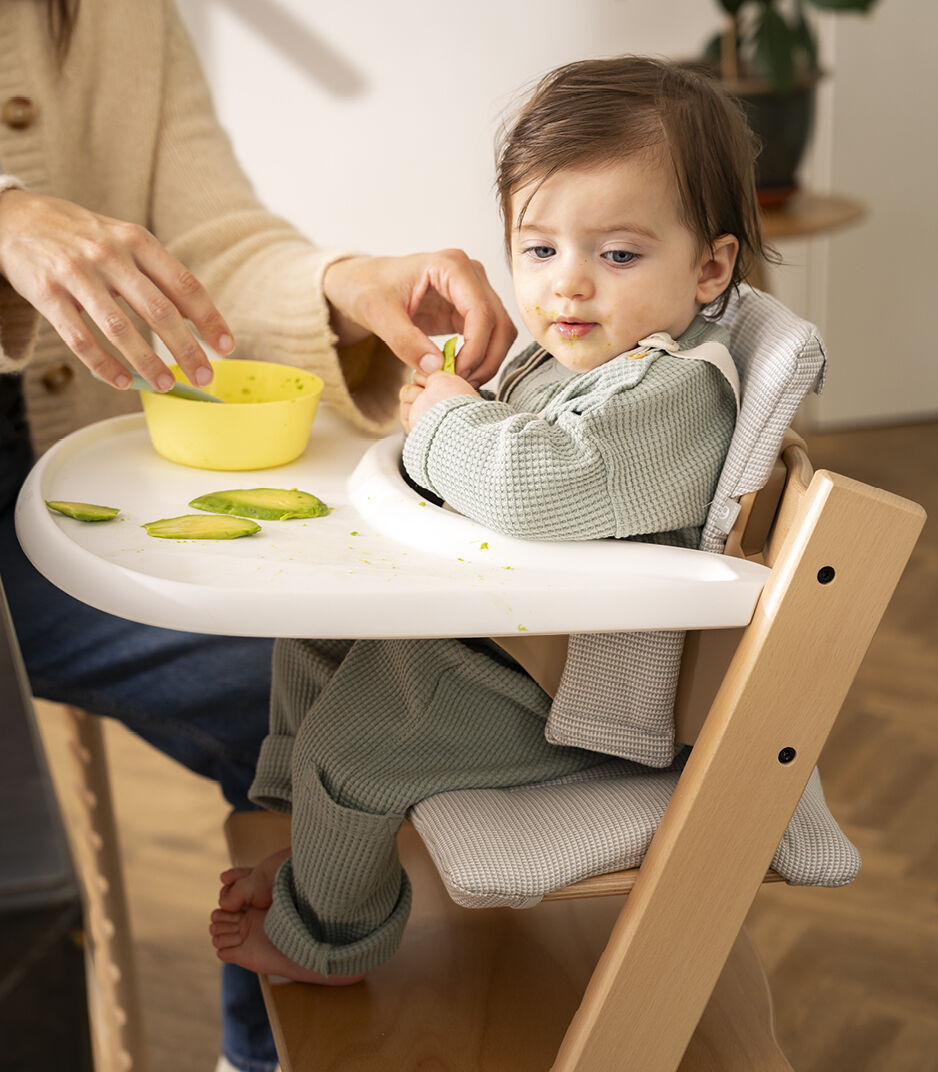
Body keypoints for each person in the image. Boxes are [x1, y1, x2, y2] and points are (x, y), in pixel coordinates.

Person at [0, 2, 514, 1070]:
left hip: (59, 477)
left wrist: (341, 288)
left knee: (311, 686)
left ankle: (264, 1052)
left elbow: (209, 246)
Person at [209, 56, 766, 986]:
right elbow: (498, 462)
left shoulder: (674, 394)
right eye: (540, 251)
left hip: (578, 686)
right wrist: (448, 421)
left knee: (354, 747)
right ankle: (316, 857)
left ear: (709, 266)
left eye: (617, 255)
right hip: (515, 631)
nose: (568, 287)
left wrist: (444, 424)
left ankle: (329, 938)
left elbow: (534, 485)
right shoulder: (585, 357)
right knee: (313, 631)